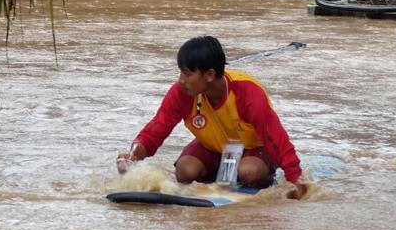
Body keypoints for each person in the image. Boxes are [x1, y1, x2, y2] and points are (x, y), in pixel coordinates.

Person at [117, 36, 307, 200]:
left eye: (187, 73)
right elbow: (156, 129)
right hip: (212, 147)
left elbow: (276, 141)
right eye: (180, 72)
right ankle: (218, 178)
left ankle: (255, 178)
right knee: (184, 171)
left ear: (209, 75)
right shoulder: (181, 93)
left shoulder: (248, 93)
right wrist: (132, 158)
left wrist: (296, 181)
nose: (181, 80)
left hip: (253, 149)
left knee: (249, 172)